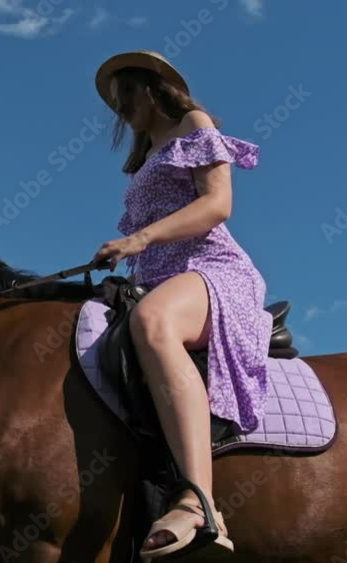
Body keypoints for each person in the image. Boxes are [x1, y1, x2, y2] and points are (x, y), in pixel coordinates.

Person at [92, 51, 272, 561]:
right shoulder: (146, 156)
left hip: (211, 269)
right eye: (114, 100)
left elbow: (217, 204)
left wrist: (140, 238)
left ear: (153, 89)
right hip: (154, 276)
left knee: (152, 322)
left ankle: (198, 502)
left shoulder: (193, 125)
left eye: (126, 93)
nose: (119, 107)